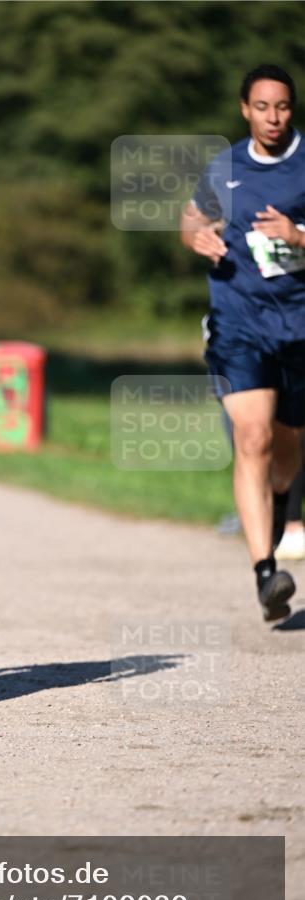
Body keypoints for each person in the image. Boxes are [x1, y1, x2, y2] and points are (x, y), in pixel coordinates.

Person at [181, 65, 305, 622]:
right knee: (252, 436)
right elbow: (191, 217)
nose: (272, 118)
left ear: (291, 109)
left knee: (286, 451)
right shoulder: (225, 166)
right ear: (244, 109)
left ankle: (280, 501)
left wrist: (298, 237)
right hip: (238, 322)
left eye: (281, 107)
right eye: (261, 107)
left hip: (299, 328)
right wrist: (197, 235)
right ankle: (264, 572)